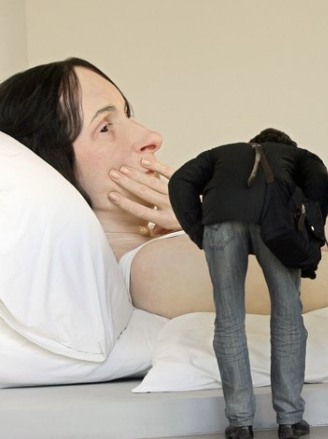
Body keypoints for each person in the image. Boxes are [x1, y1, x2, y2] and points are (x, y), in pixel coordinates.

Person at [0, 57, 219, 318]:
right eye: (104, 128)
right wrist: (214, 221)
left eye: (126, 115)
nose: (152, 138)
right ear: (54, 166)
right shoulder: (148, 267)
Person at [168, 128, 328, 439]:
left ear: (252, 143)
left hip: (220, 220)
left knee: (228, 320)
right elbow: (322, 183)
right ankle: (290, 420)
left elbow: (179, 181)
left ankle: (240, 422)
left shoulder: (219, 153)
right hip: (277, 222)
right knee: (287, 316)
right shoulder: (298, 156)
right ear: (286, 148)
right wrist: (309, 227)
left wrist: (198, 230)